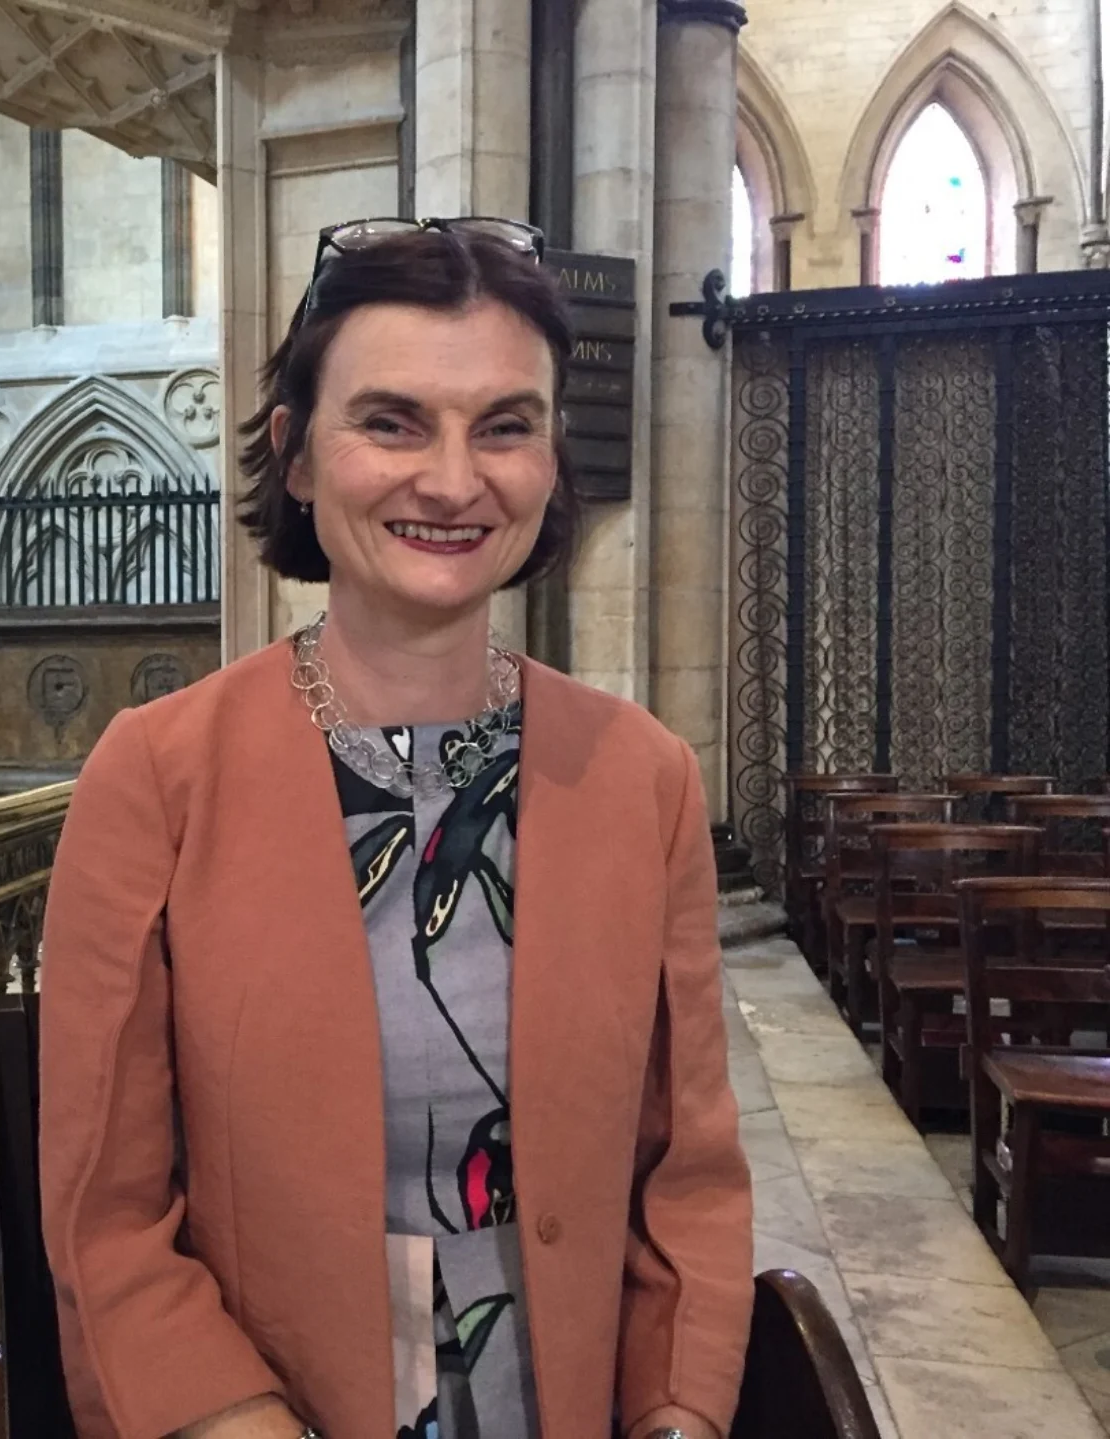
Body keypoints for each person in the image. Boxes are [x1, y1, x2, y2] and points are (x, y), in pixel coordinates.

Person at [38, 219, 752, 1439]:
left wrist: (676, 1416)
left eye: (505, 426)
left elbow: (686, 1180)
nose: (455, 481)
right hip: (271, 1409)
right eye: (393, 422)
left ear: (551, 460)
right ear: (296, 455)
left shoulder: (644, 778)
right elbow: (105, 1216)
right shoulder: (157, 775)